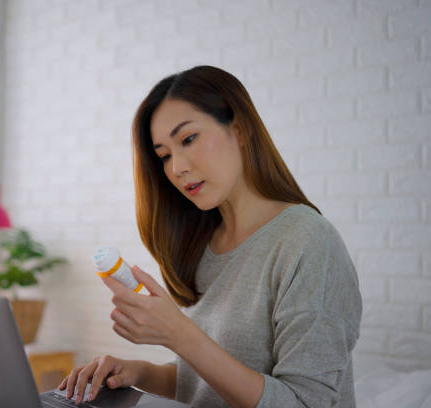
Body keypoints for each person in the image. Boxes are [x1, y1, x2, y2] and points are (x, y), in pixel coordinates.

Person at [58, 65, 362, 407]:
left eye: (188, 139)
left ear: (241, 128)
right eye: (164, 156)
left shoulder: (308, 242)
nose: (177, 168)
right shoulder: (202, 247)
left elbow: (305, 403)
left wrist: (180, 335)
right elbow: (207, 380)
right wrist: (138, 373)